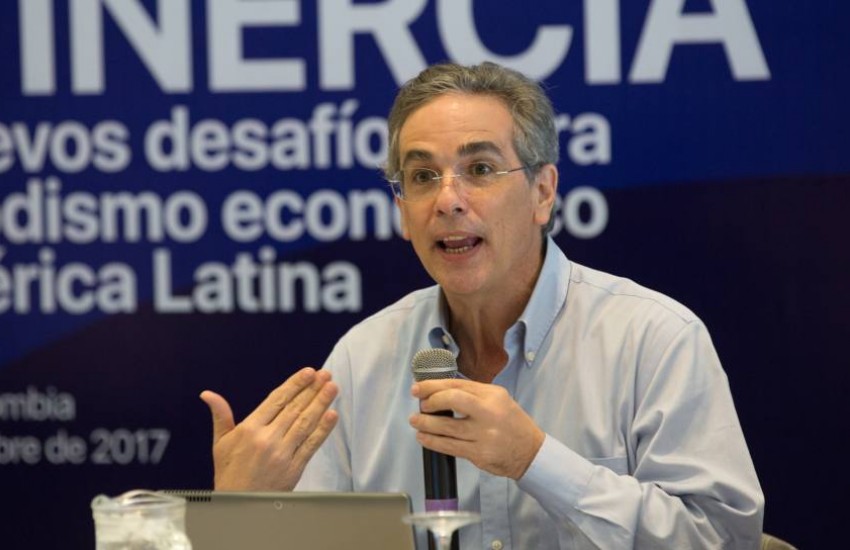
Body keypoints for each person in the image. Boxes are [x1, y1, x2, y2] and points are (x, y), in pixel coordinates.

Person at [200, 62, 764, 549]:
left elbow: (722, 539)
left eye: (480, 170)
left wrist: (536, 460)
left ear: (543, 192)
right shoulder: (362, 358)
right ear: (402, 209)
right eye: (422, 177)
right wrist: (245, 512)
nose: (447, 200)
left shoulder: (653, 339)